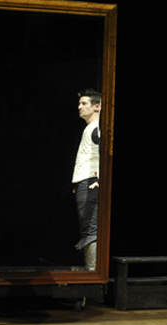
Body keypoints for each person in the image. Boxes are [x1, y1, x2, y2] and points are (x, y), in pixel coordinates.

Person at [71, 88, 101, 270]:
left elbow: (105, 154)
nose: (79, 107)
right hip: (86, 180)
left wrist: (99, 179)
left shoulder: (97, 128)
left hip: (92, 181)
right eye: (79, 103)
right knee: (87, 227)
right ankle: (91, 270)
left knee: (90, 228)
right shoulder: (90, 128)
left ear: (97, 106)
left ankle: (92, 272)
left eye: (84, 103)